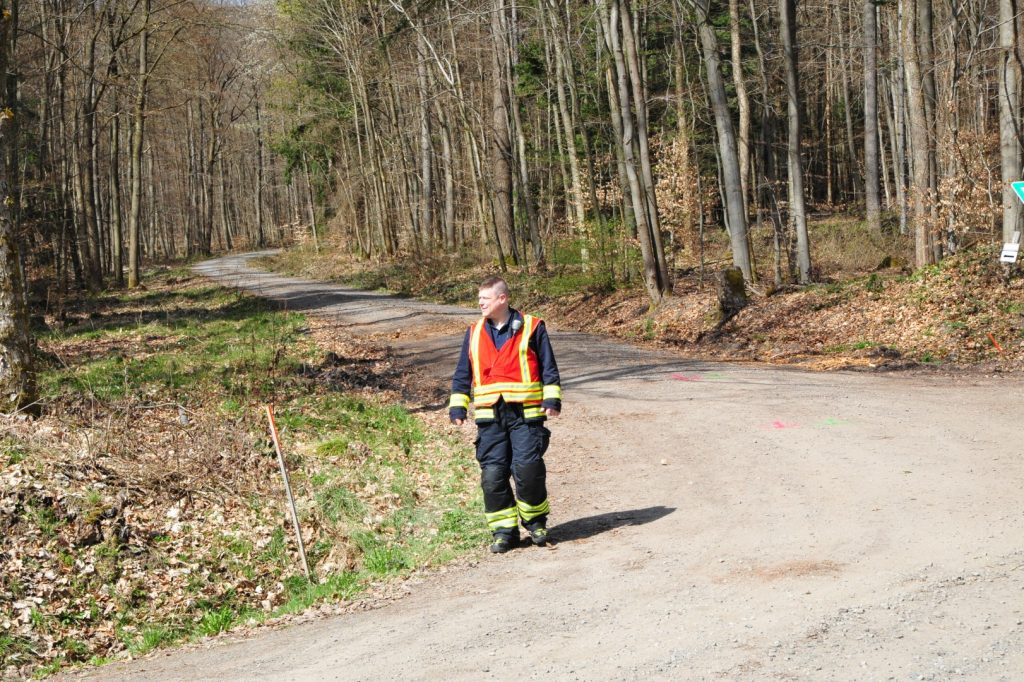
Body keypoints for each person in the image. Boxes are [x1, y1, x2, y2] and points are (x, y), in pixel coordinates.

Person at [449, 276, 562, 553]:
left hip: (526, 414)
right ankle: (504, 532)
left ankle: (536, 524)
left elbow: (548, 366)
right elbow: (463, 371)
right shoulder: (474, 332)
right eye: (479, 298)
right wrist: (458, 405)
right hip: (490, 417)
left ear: (502, 299)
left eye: (485, 298)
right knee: (493, 476)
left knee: (528, 470)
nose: (480, 303)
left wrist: (552, 399)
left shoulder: (533, 326)